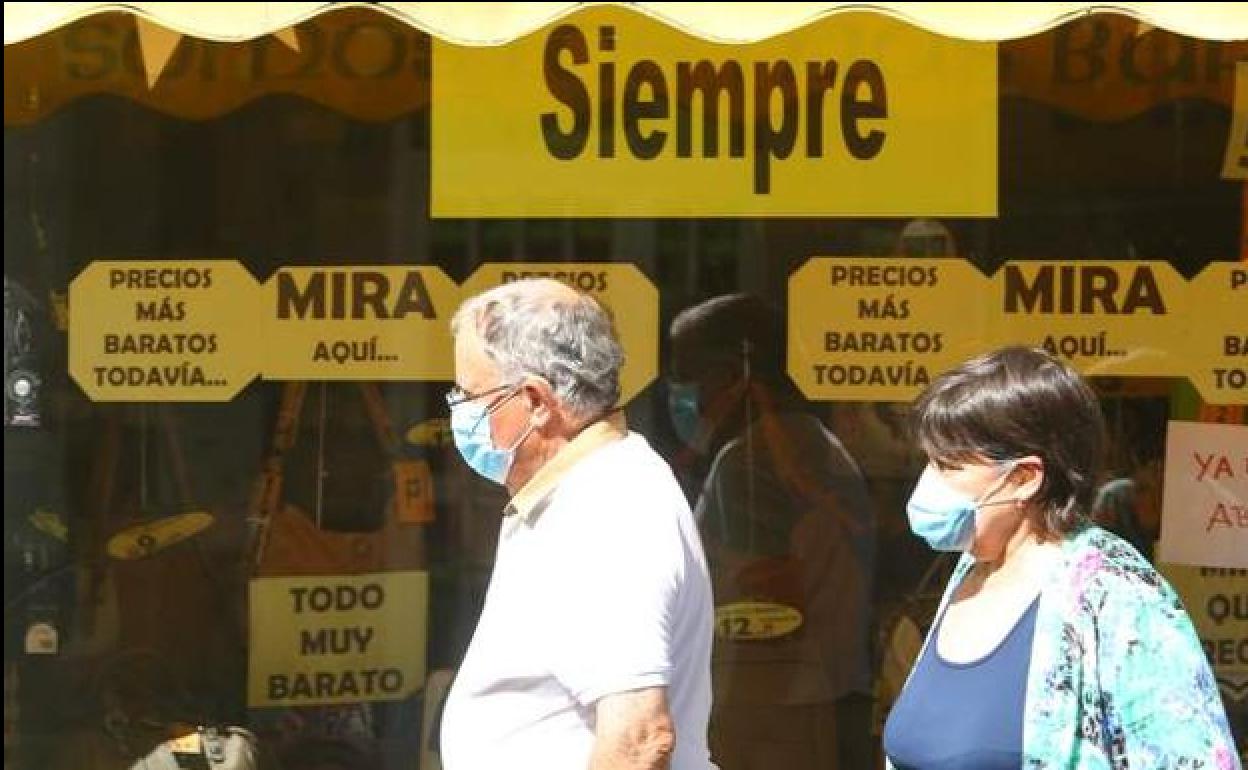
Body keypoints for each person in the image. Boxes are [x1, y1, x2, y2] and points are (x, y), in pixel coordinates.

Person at [884, 346, 1238, 769]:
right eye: (930, 462)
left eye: (948, 466)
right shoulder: (973, 568)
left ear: (1023, 478)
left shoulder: (1116, 593)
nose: (929, 484)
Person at [439, 278, 716, 770]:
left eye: (468, 393)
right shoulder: (578, 491)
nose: (459, 411)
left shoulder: (607, 510)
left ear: (537, 402)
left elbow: (639, 739)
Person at [668, 294, 876, 770]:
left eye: (686, 375)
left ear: (730, 375)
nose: (679, 393)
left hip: (764, 712)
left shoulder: (751, 463)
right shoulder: (808, 442)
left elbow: (762, 594)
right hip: (804, 701)